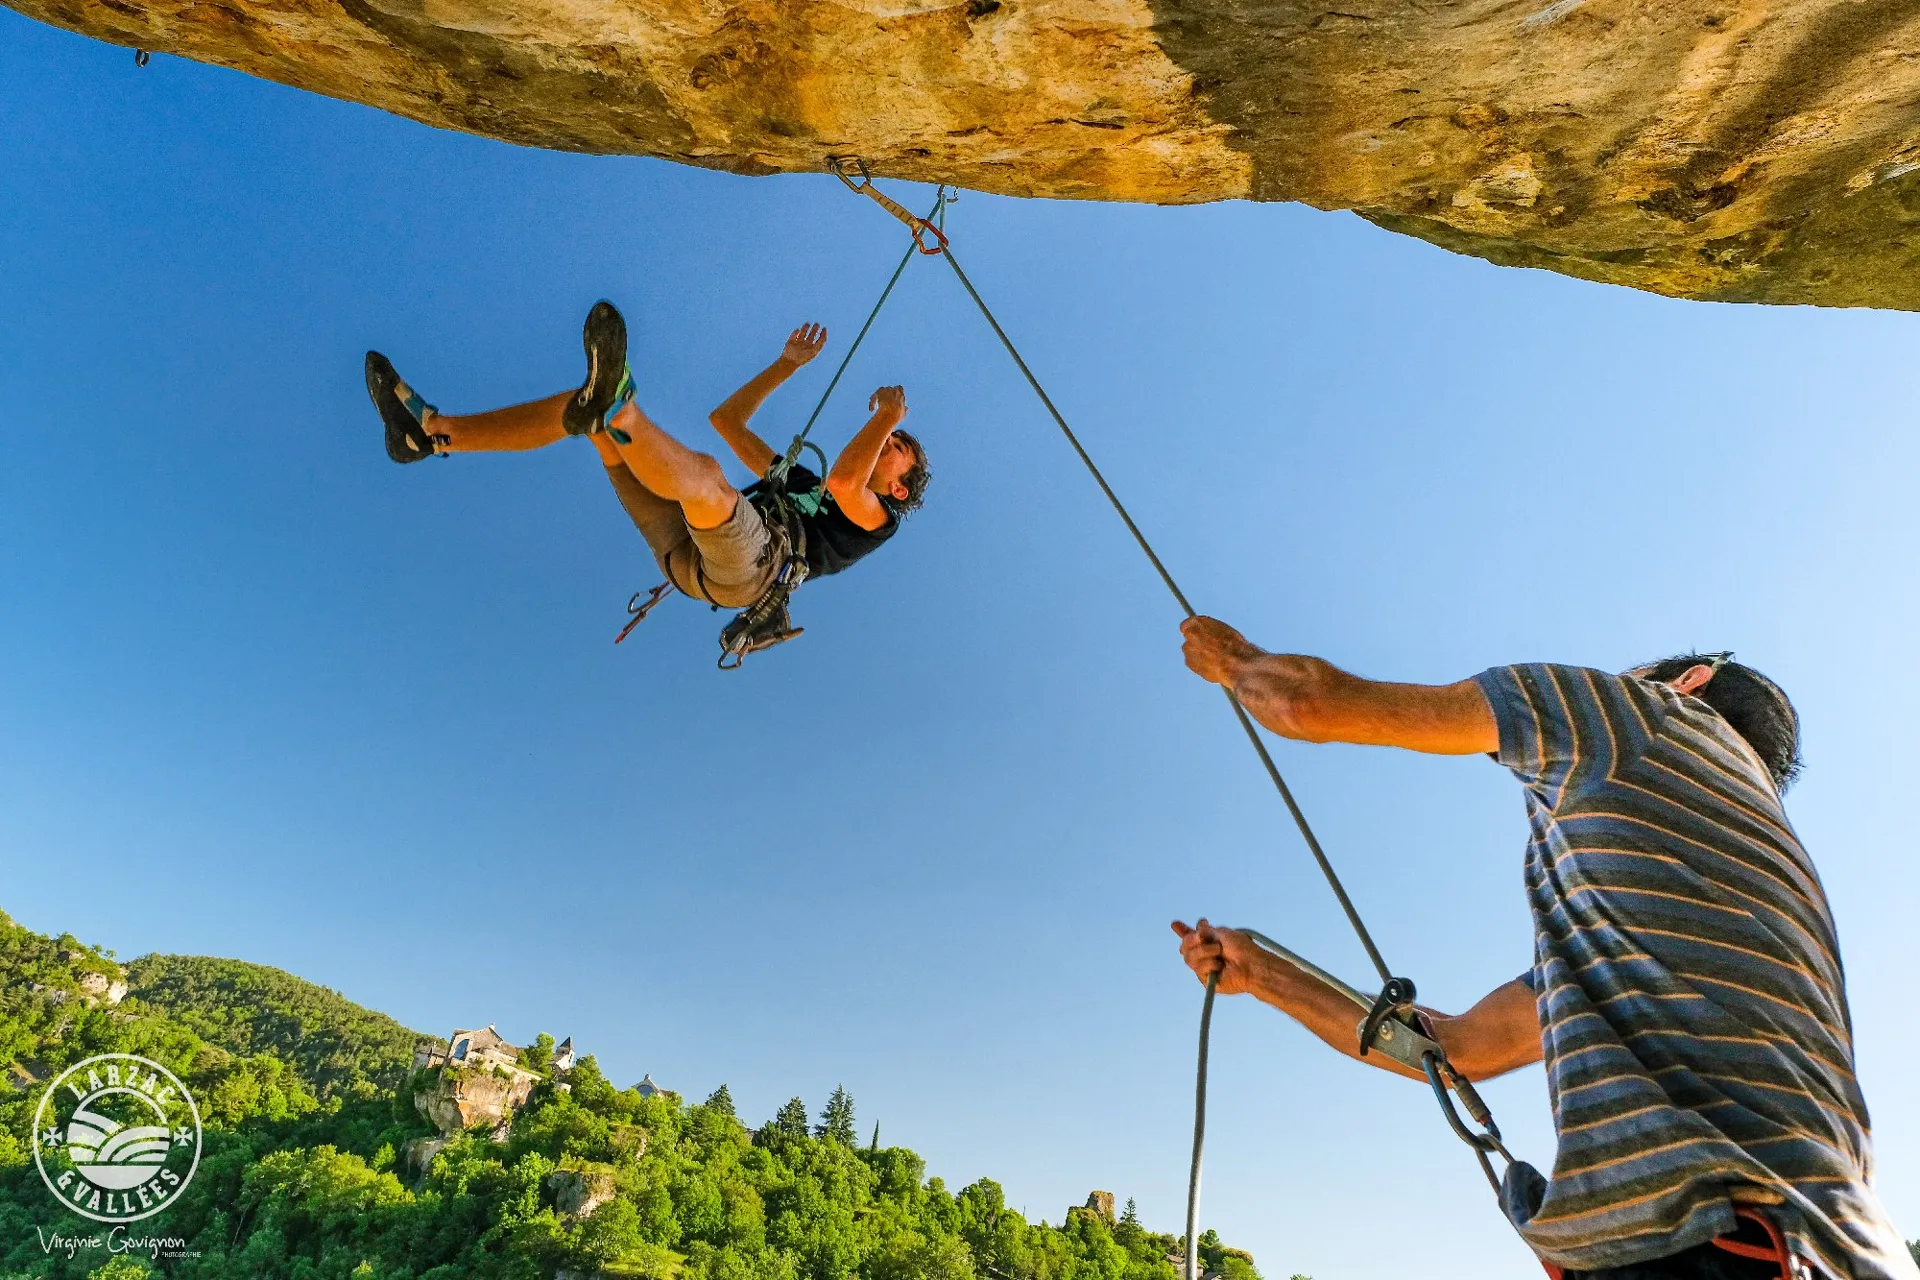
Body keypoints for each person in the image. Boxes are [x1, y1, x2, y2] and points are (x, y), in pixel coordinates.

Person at [1170, 618, 1915, 1280]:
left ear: (1691, 681)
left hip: (1714, 1245)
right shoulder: (1712, 903)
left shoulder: (1649, 714)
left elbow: (1308, 703)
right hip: (1844, 1251)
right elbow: (1454, 1050)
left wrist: (1232, 660)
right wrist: (1266, 973)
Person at [363, 301, 930, 610]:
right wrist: (785, 365)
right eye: (889, 438)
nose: (884, 443)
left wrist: (887, 417)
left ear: (899, 488)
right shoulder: (801, 482)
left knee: (707, 478)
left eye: (894, 450)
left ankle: (620, 404)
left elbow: (845, 483)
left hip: (749, 573)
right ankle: (430, 433)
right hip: (691, 547)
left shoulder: (879, 521)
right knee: (587, 415)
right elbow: (726, 421)